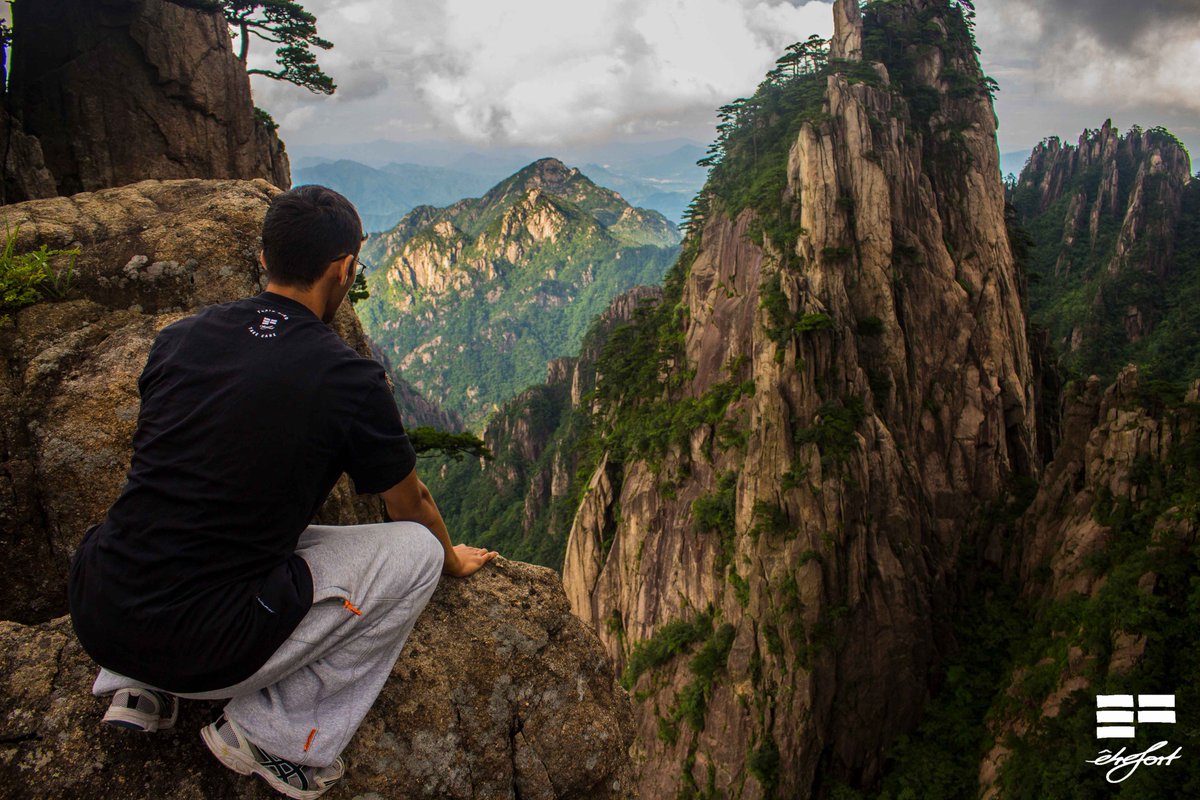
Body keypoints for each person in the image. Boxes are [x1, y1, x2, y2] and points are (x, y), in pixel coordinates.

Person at [67, 184, 498, 799]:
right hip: (207, 647)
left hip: (99, 607)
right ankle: (275, 738)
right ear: (345, 268)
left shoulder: (180, 338)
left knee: (172, 506)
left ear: (264, 255)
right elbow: (410, 506)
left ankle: (133, 686)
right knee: (416, 552)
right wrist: (451, 559)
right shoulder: (345, 375)